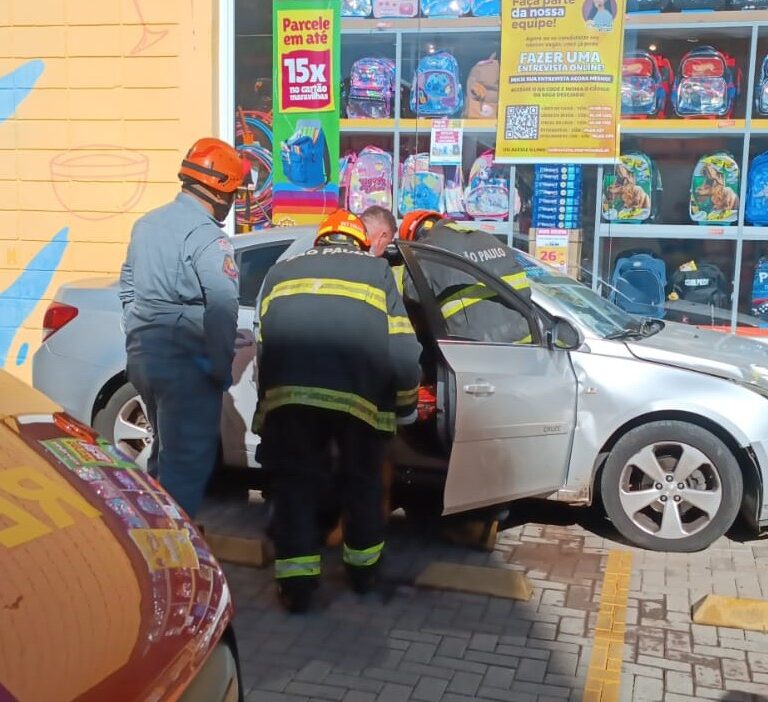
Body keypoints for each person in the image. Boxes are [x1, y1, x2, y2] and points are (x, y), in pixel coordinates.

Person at [254, 210, 422, 613]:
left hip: (289, 399)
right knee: (362, 483)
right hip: (357, 402)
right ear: (361, 241)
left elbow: (264, 345)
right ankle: (363, 576)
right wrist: (405, 407)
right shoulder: (376, 272)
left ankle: (297, 589)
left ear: (322, 239)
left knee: (295, 486)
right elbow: (402, 348)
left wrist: (268, 406)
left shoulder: (280, 272)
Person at [119, 137, 246, 518]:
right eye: (234, 192)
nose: (235, 200)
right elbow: (223, 305)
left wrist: (139, 334)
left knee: (165, 452)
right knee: (186, 465)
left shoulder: (147, 224)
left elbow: (127, 287)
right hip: (185, 362)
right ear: (220, 189)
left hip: (145, 356)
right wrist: (220, 367)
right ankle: (173, 553)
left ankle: (155, 530)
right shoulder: (208, 237)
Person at [399, 210, 532, 344]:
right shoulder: (487, 238)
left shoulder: (425, 252)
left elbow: (412, 297)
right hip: (525, 344)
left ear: (415, 239)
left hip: (478, 350)